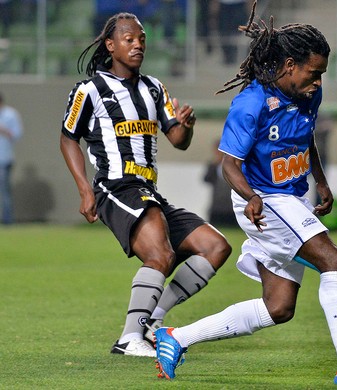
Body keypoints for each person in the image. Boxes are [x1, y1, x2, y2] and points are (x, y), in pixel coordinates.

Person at [151, 3, 337, 386]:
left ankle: (175, 338)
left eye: (322, 75)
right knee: (334, 260)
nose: (318, 82)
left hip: (290, 198)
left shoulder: (307, 93)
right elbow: (228, 165)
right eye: (314, 73)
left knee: (278, 307)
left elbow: (305, 136)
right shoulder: (250, 104)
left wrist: (321, 179)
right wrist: (252, 198)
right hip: (262, 200)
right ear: (288, 65)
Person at [59, 12, 232, 358]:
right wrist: (83, 190)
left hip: (149, 191)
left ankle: (151, 320)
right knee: (160, 255)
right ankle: (129, 338)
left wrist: (187, 125)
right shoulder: (90, 90)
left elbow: (178, 139)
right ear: (110, 46)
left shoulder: (154, 88)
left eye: (142, 39)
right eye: (129, 39)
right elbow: (67, 139)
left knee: (216, 247)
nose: (138, 44)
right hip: (116, 187)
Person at [0, 91, 23, 225]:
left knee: (5, 192)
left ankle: (7, 221)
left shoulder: (10, 115)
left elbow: (17, 134)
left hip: (4, 158)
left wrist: (4, 130)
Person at [203, 138, 236, 227]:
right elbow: (206, 179)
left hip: (232, 207)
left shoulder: (235, 165)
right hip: (217, 207)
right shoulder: (213, 165)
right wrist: (215, 163)